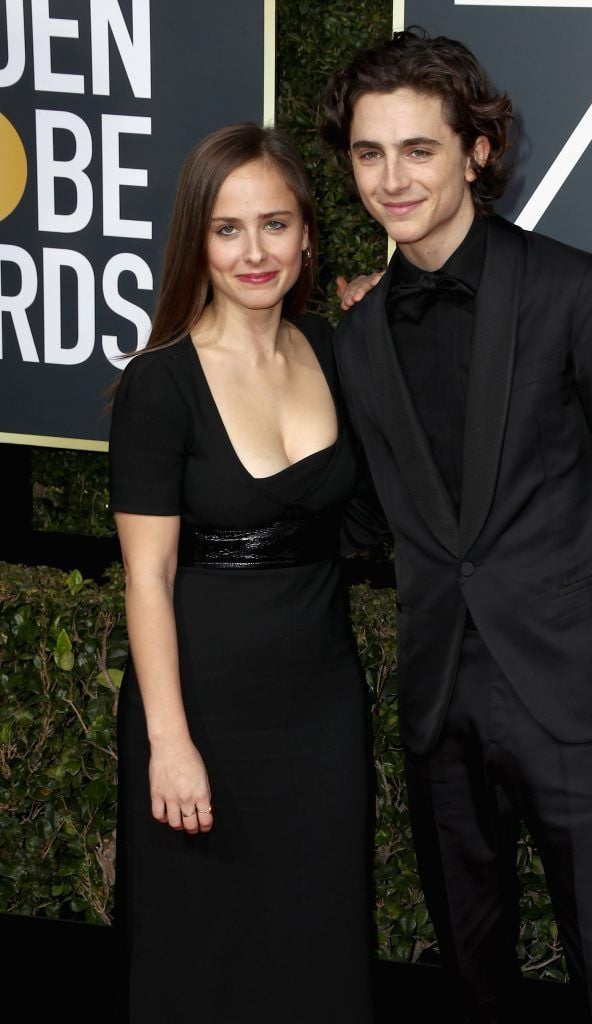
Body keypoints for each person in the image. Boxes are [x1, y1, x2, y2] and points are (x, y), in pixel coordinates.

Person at [321, 28, 592, 1024]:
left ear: (475, 151)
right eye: (368, 153)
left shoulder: (576, 290)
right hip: (441, 699)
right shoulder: (356, 338)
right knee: (472, 970)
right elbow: (359, 512)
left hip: (576, 689)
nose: (390, 178)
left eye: (417, 149)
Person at [109, 123, 376, 1023]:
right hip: (205, 709)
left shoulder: (334, 353)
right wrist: (168, 741)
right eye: (228, 229)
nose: (254, 251)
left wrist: (380, 320)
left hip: (322, 702)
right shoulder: (161, 384)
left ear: (306, 234)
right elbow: (147, 578)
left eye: (275, 224)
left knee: (319, 937)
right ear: (198, 240)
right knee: (205, 948)